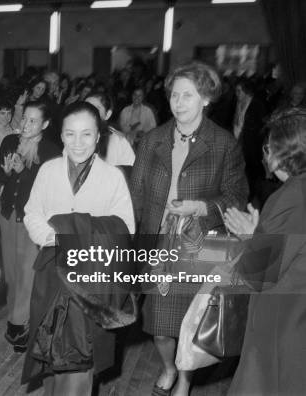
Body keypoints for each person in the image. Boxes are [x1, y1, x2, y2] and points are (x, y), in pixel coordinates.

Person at [130, 61, 248, 396]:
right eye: (174, 95)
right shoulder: (153, 140)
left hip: (198, 244)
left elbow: (238, 196)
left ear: (206, 98)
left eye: (188, 95)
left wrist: (202, 207)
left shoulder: (224, 144)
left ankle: (185, 379)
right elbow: (135, 195)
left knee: (191, 322)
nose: (179, 102)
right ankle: (169, 367)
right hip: (159, 243)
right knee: (159, 325)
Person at [22, 102, 135, 395]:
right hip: (51, 274)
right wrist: (53, 236)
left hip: (90, 282)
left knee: (80, 360)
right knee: (48, 354)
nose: (78, 142)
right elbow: (32, 212)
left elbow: (125, 228)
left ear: (99, 136)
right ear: (60, 135)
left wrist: (70, 230)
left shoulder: (112, 177)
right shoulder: (48, 170)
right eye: (70, 134)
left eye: (86, 134)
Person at [225, 108, 306, 396]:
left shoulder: (291, 197)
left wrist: (249, 236)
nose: (265, 152)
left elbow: (257, 274)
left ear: (282, 152)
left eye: (268, 145)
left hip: (284, 327)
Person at [0, 100, 60, 352]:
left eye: (33, 120)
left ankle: (18, 326)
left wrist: (25, 171)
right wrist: (7, 173)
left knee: (27, 273)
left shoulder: (52, 150)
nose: (25, 124)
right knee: (10, 272)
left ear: (45, 124)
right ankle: (17, 318)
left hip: (33, 220)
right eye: (24, 119)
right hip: (9, 215)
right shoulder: (10, 142)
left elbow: (51, 189)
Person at [85, 91, 135, 166]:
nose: (89, 112)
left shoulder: (117, 140)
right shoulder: (74, 136)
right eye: (85, 107)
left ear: (107, 114)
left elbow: (129, 170)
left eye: (96, 108)